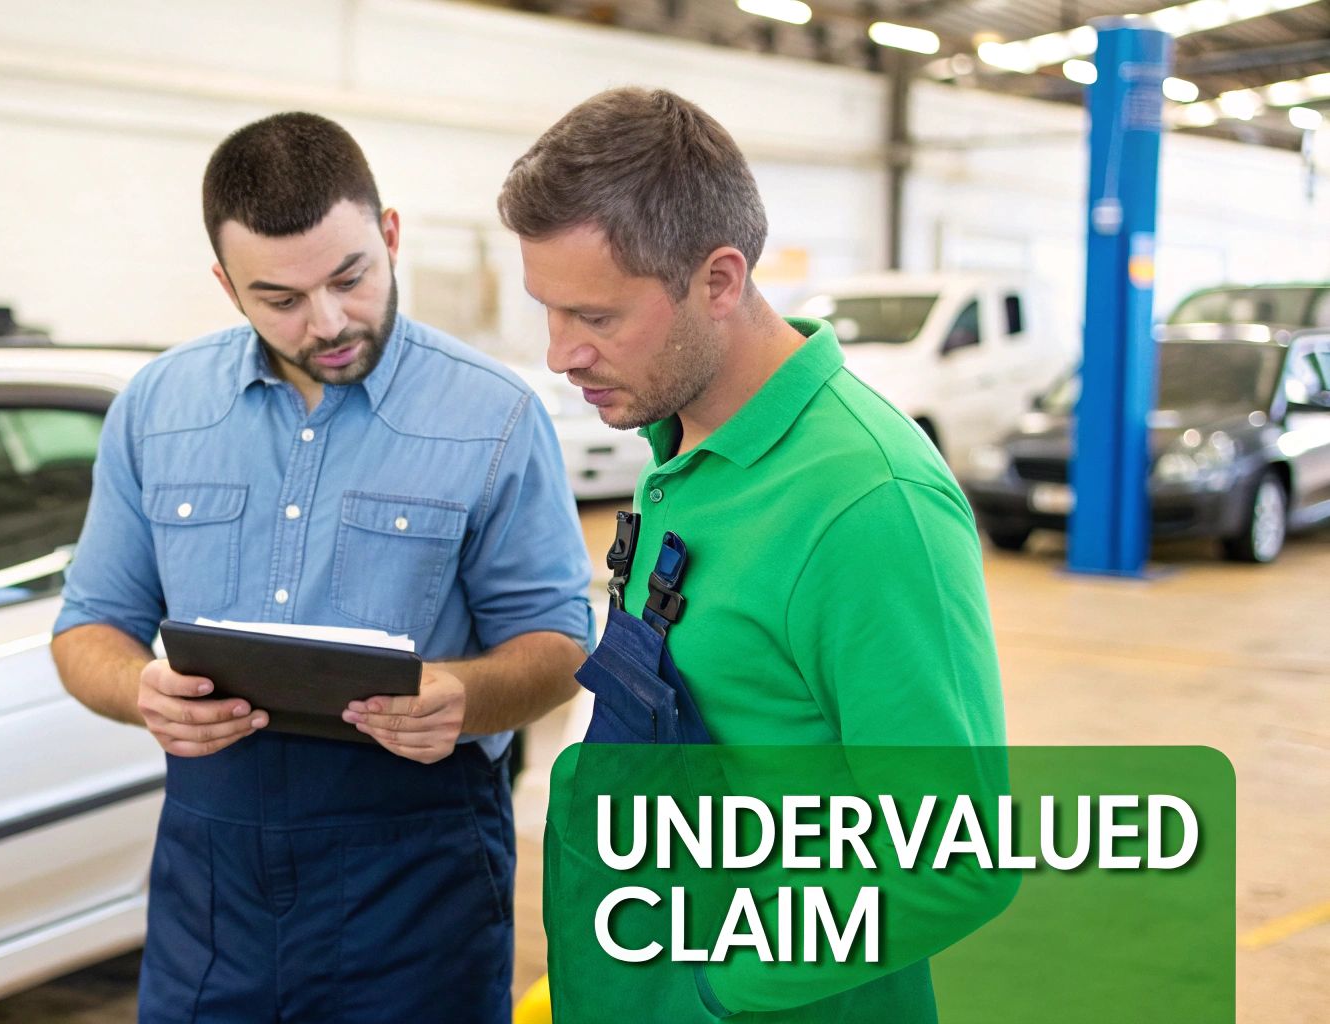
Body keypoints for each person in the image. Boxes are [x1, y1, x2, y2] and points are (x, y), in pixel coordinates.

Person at [52, 112, 592, 1023]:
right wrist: (139, 688)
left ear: (389, 235)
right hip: (212, 888)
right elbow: (86, 628)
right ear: (228, 286)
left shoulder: (494, 416)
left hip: (418, 884)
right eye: (282, 300)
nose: (329, 321)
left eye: (351, 278)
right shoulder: (157, 408)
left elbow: (559, 646)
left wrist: (466, 697)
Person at [500, 87, 1010, 1020]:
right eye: (549, 311)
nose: (560, 354)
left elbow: (957, 864)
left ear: (721, 280)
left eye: (598, 318)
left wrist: (706, 989)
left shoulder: (867, 507)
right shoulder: (681, 446)